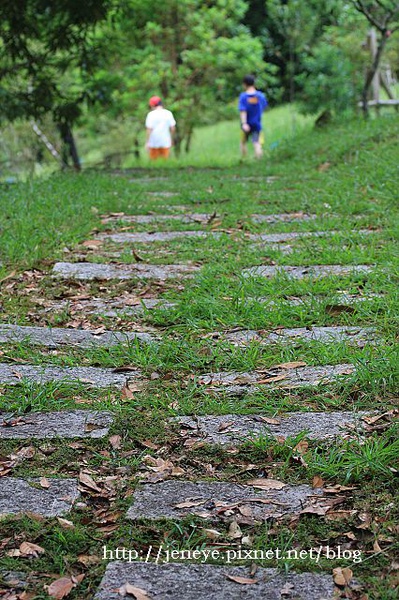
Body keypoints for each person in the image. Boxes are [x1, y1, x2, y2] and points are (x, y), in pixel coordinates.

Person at [238, 75, 268, 159]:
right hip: (257, 123)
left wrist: (244, 123)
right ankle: (259, 160)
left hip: (246, 124)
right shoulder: (260, 96)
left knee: (243, 142)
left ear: (244, 84)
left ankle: (244, 159)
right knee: (256, 142)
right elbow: (264, 106)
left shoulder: (243, 97)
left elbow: (243, 111)